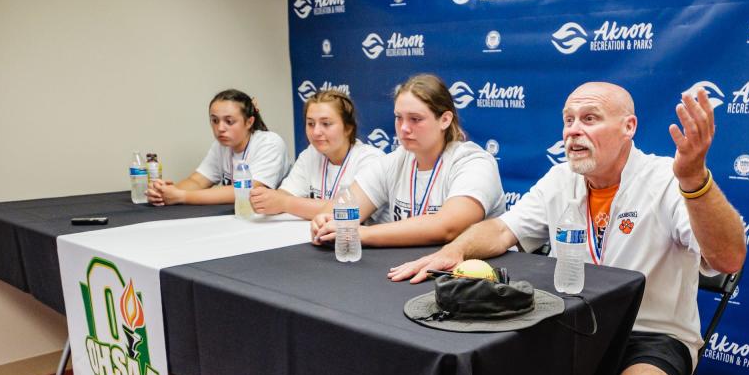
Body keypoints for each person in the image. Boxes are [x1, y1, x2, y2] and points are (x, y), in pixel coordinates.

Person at [388, 82, 746, 375]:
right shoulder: (561, 179)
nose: (574, 131)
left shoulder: (666, 179)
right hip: (574, 323)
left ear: (629, 127)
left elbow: (728, 259)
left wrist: (695, 180)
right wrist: (454, 251)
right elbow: (502, 231)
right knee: (494, 364)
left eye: (590, 119)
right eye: (569, 120)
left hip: (650, 332)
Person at [310, 74, 504, 247]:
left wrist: (364, 233)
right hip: (410, 269)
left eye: (415, 119)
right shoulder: (395, 161)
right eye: (398, 118)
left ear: (445, 120)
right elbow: (344, 208)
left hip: (469, 276)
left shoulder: (473, 162)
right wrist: (326, 220)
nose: (403, 128)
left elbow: (448, 227)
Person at [249, 90, 383, 219]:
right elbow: (283, 195)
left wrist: (285, 204)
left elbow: (346, 212)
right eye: (311, 124)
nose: (316, 132)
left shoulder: (370, 160)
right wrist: (265, 200)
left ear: (348, 128)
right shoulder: (311, 154)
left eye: (326, 124)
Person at [147, 89, 291, 206]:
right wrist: (165, 192)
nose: (220, 128)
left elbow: (248, 190)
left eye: (229, 121)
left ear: (249, 122)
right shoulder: (221, 145)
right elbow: (197, 181)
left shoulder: (270, 143)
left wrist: (182, 196)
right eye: (214, 121)